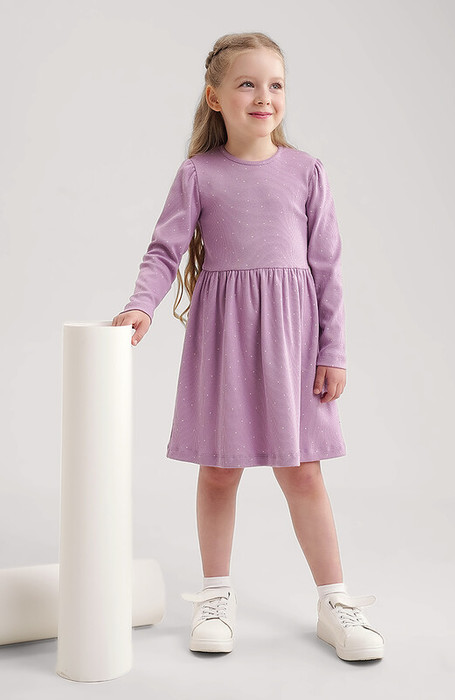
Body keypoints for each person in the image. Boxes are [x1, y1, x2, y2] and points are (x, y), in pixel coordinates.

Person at [112, 31, 384, 662]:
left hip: (293, 342)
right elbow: (164, 251)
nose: (264, 96)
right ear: (215, 97)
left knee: (303, 472)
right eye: (247, 84)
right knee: (218, 471)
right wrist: (141, 304)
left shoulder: (306, 171)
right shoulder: (198, 174)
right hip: (224, 340)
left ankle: (335, 601)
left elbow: (328, 269)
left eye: (276, 85)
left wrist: (333, 350)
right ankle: (215, 596)